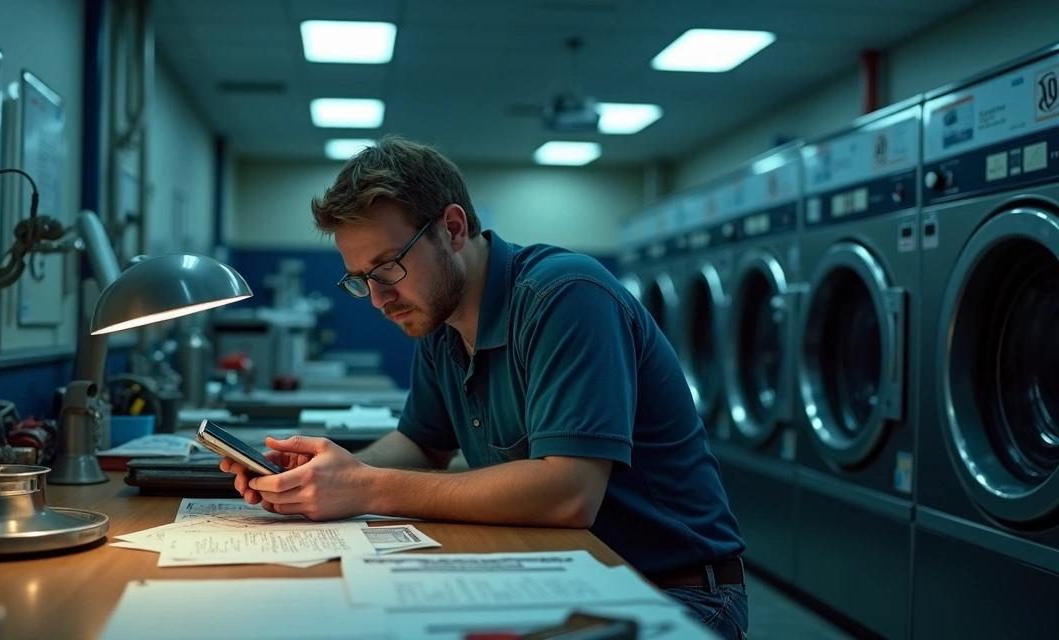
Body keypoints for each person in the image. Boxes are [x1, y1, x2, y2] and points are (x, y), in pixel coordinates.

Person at [219, 135, 748, 639]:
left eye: (388, 268)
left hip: (669, 590)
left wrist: (365, 487)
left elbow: (569, 493)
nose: (378, 300)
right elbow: (421, 446)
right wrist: (325, 472)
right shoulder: (438, 320)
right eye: (361, 280)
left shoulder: (566, 297)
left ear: (452, 228)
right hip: (561, 572)